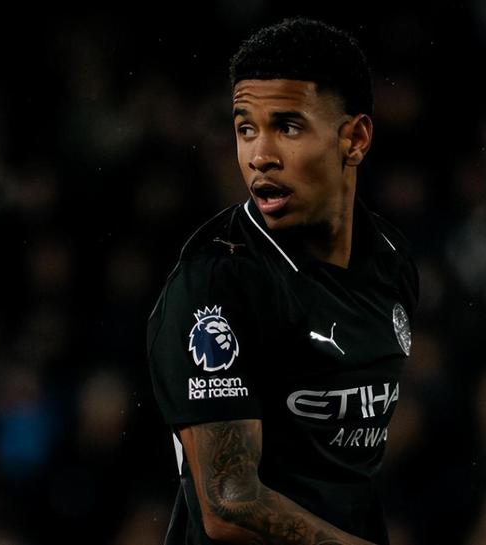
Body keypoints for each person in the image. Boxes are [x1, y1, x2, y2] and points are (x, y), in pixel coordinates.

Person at [147, 16, 419, 545]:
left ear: (355, 139)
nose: (259, 156)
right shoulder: (217, 283)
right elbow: (230, 504)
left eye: (288, 127)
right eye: (246, 129)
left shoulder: (392, 261)